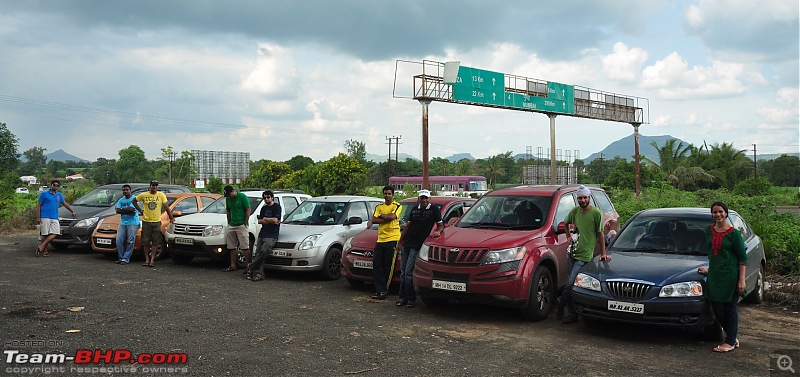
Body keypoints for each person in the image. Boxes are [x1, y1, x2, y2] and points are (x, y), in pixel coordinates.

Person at [556, 185, 610, 324]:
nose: (582, 200)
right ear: (577, 199)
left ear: (589, 198)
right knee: (571, 285)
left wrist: (603, 253)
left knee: (569, 284)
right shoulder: (575, 211)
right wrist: (568, 236)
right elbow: (565, 223)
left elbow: (600, 234)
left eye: (585, 197)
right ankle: (572, 314)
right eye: (580, 198)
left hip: (584, 256)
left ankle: (560, 305)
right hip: (571, 253)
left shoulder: (596, 213)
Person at [698, 201, 747, 353]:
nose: (718, 214)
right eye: (715, 212)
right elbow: (713, 253)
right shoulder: (709, 230)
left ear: (726, 213)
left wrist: (741, 280)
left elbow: (742, 258)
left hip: (731, 276)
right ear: (712, 214)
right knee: (718, 310)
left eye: (720, 212)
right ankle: (732, 337)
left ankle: (730, 342)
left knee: (730, 309)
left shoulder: (734, 234)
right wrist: (709, 271)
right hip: (715, 276)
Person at [395, 189, 443, 308]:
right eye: (422, 198)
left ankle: (411, 298)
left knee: (408, 273)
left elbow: (441, 225)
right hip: (407, 242)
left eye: (426, 198)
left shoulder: (434, 210)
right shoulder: (415, 209)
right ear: (419, 199)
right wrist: (400, 241)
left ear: (429, 199)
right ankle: (402, 297)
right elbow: (408, 225)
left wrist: (438, 231)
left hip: (417, 245)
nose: (424, 200)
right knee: (402, 273)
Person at [367, 185, 402, 300]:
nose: (387, 196)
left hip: (393, 238)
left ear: (393, 195)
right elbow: (374, 219)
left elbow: (392, 216)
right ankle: (379, 289)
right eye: (385, 193)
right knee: (377, 264)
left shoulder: (397, 205)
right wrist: (384, 217)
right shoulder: (379, 206)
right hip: (381, 239)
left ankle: (384, 290)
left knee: (388, 265)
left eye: (389, 194)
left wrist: (381, 216)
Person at [133, 180, 174, 268]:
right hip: (146, 221)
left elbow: (166, 207)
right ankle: (147, 259)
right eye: (153, 185)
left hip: (156, 221)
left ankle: (152, 260)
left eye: (156, 185)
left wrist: (171, 217)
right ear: (150, 186)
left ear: (157, 186)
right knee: (146, 241)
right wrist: (140, 210)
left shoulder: (161, 195)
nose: (154, 187)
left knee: (156, 242)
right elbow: (134, 201)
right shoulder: (144, 195)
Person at [35, 180, 76, 256]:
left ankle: (42, 246)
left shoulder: (59, 195)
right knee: (45, 234)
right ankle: (45, 251)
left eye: (57, 185)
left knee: (56, 232)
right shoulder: (44, 194)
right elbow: (39, 205)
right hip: (45, 216)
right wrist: (38, 217)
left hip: (54, 217)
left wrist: (72, 211)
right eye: (54, 185)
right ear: (51, 185)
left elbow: (64, 203)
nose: (55, 186)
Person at [248, 190, 281, 281]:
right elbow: (260, 221)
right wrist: (268, 220)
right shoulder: (264, 208)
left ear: (272, 197)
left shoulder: (277, 207)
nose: (266, 199)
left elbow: (276, 220)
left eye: (268, 197)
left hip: (271, 235)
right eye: (264, 198)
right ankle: (259, 274)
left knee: (264, 251)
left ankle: (251, 266)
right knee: (259, 253)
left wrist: (266, 219)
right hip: (263, 233)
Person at [223, 185, 251, 272]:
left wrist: (245, 222)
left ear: (233, 191)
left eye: (229, 194)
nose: (229, 196)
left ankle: (249, 266)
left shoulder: (242, 197)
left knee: (244, 247)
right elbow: (228, 211)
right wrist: (229, 222)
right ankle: (233, 265)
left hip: (241, 225)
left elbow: (248, 209)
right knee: (231, 246)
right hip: (232, 224)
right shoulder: (228, 199)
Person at [115, 184, 142, 265]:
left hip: (133, 222)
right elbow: (117, 210)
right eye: (124, 190)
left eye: (127, 190)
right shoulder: (121, 200)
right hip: (123, 222)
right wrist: (126, 210)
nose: (125, 191)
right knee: (119, 240)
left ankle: (126, 258)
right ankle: (121, 257)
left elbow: (132, 209)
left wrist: (122, 209)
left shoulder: (134, 199)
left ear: (130, 190)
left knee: (130, 241)